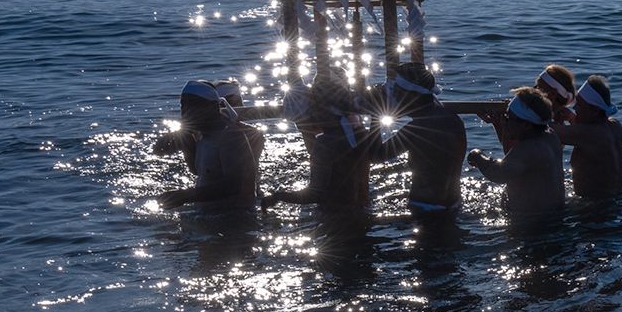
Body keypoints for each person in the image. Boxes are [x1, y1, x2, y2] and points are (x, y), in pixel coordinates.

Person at [262, 79, 375, 210]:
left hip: (335, 218)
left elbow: (315, 194)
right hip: (362, 213)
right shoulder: (359, 133)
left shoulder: (325, 143)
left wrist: (277, 197)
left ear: (318, 112)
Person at [370, 65, 467, 214]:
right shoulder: (452, 119)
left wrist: (375, 116)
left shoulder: (416, 129)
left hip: (425, 207)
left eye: (396, 93)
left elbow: (377, 155)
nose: (393, 97)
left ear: (409, 97)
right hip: (454, 203)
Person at [159, 80, 263, 210]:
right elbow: (202, 172)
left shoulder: (231, 135)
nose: (185, 112)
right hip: (207, 217)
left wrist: (186, 195)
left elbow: (235, 185)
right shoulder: (202, 135)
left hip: (235, 221)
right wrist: (185, 140)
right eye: (183, 106)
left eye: (193, 106)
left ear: (213, 108)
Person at [467, 86, 565, 214]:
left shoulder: (528, 149)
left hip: (532, 224)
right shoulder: (550, 137)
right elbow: (515, 159)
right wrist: (498, 123)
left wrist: (477, 156)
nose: (505, 122)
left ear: (526, 125)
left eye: (508, 118)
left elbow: (499, 174)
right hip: (554, 214)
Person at [553, 74, 622, 200]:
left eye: (579, 105)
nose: (574, 107)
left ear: (595, 110)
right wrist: (570, 117)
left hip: (595, 209)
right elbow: (585, 134)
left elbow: (548, 129)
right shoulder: (615, 126)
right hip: (619, 199)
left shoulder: (588, 134)